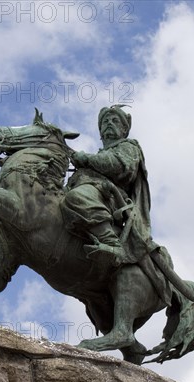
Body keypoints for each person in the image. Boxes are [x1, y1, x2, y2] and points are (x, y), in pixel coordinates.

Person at [61, 105, 155, 267]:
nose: (109, 123)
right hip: (95, 192)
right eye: (105, 121)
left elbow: (119, 166)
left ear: (124, 129)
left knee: (77, 197)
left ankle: (112, 243)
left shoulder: (129, 147)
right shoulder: (100, 154)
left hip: (111, 198)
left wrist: (85, 159)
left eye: (114, 120)